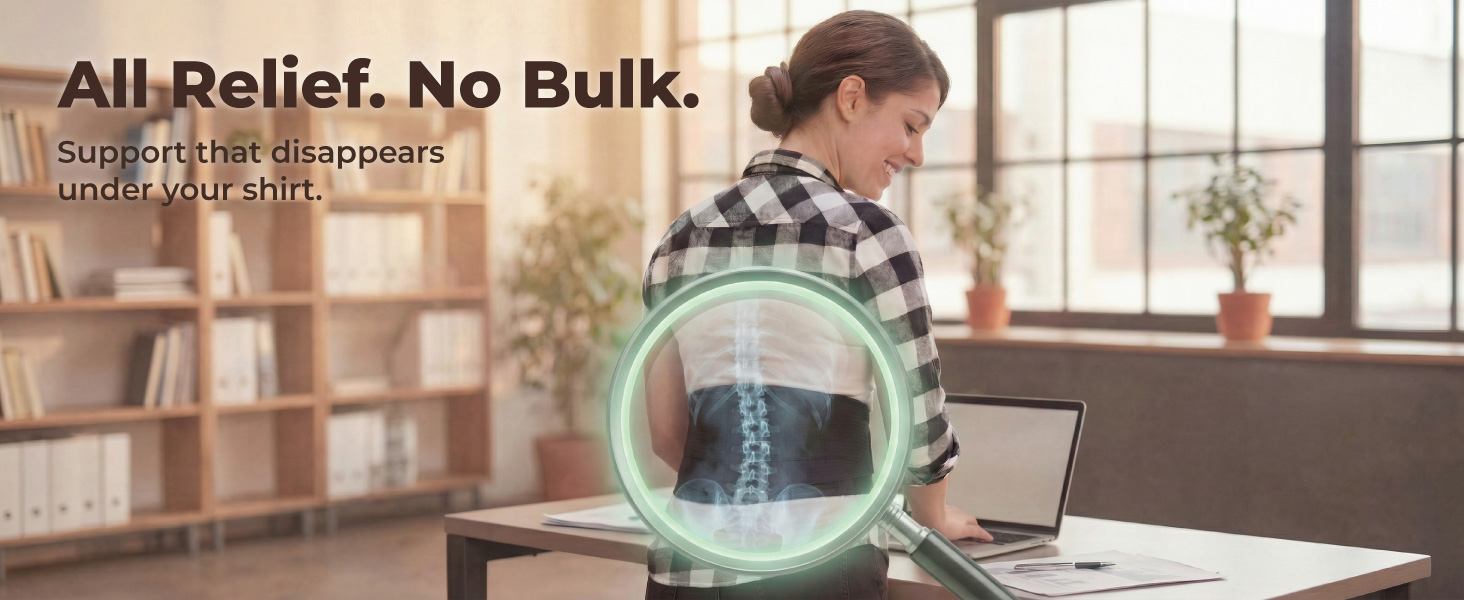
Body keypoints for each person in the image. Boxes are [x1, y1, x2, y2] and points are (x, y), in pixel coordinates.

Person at [640, 10, 988, 600]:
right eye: (911, 125)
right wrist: (935, 517)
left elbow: (668, 431)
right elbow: (921, 428)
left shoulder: (680, 238)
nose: (917, 153)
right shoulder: (867, 234)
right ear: (851, 97)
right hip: (822, 572)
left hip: (686, 570)